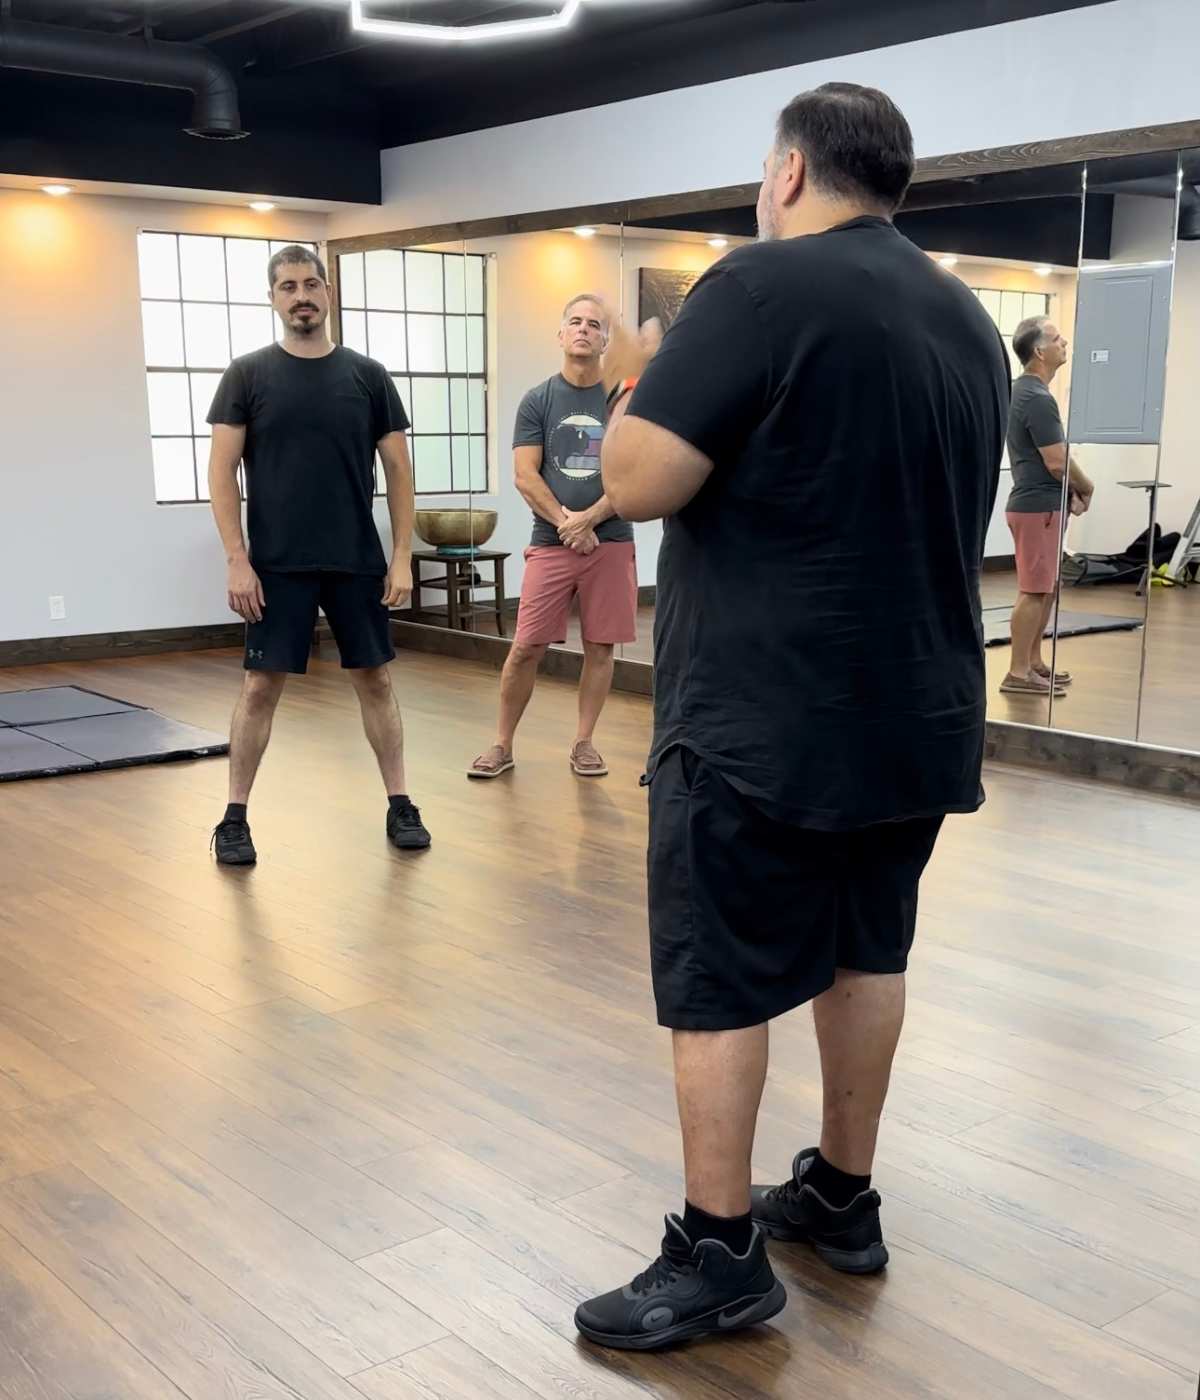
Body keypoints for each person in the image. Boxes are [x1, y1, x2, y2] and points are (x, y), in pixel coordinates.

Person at [573, 82, 1010, 1352]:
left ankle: (719, 1253)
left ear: (787, 172)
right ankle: (840, 1194)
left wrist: (640, 378)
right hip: (918, 707)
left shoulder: (755, 286)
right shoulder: (968, 318)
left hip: (764, 715)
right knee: (868, 950)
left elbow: (635, 480)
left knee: (720, 974)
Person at [206, 244, 430, 865]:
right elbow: (221, 472)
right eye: (288, 287)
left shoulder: (368, 376)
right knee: (259, 687)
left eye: (310, 284)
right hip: (276, 564)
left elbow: (399, 472)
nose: (301, 296)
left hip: (356, 558)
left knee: (375, 680)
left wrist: (402, 555)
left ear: (327, 292)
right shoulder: (247, 374)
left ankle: (400, 803)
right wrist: (236, 558)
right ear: (273, 299)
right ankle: (234, 818)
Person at [468, 295, 637, 780]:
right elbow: (525, 475)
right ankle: (502, 745)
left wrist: (591, 520)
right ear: (561, 335)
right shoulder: (538, 400)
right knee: (525, 647)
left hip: (611, 541)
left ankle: (584, 743)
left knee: (600, 647)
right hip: (551, 542)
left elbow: (635, 473)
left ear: (605, 341)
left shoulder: (624, 400)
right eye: (575, 322)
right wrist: (569, 524)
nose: (584, 329)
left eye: (594, 325)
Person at [1002, 315, 1093, 696]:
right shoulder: (1036, 398)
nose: (1064, 343)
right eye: (1057, 339)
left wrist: (1071, 491)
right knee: (1034, 590)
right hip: (1037, 507)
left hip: (1043, 506)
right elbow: (1056, 461)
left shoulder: (1026, 393)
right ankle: (1018, 672)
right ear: (1039, 351)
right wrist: (1086, 486)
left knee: (1046, 588)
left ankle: (1033, 662)